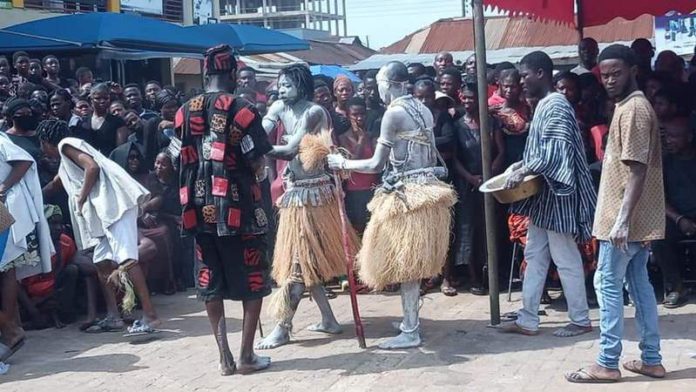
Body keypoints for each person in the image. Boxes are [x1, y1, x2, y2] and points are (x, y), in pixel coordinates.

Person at [327, 61, 457, 349]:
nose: (379, 89)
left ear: (393, 83)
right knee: (410, 259)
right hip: (426, 190)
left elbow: (376, 163)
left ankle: (410, 330)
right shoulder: (423, 108)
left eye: (381, 83)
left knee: (408, 263)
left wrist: (343, 163)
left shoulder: (394, 113)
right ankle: (411, 320)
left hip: (408, 195)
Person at [567, 44, 666, 384]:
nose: (609, 80)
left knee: (606, 283)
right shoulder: (626, 106)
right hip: (631, 218)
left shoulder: (635, 109)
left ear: (633, 70)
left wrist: (622, 220)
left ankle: (608, 362)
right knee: (638, 285)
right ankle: (651, 359)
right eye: (604, 75)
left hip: (623, 220)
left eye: (616, 73)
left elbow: (637, 169)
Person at [175, 45, 272, 374]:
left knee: (209, 280)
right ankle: (247, 356)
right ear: (232, 74)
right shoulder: (244, 108)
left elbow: (182, 152)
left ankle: (224, 358)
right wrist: (259, 175)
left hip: (198, 209)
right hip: (239, 208)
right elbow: (256, 159)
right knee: (253, 279)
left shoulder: (184, 110)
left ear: (205, 74)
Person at [255, 64, 355, 350]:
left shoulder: (313, 112)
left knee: (298, 264)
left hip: (314, 196)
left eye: (287, 84)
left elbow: (289, 150)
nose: (281, 89)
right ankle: (328, 320)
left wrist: (252, 147)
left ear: (301, 85)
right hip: (296, 192)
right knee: (304, 261)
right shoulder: (277, 107)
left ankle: (282, 327)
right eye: (279, 84)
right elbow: (264, 131)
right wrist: (248, 134)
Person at [502, 51, 595, 338]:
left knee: (565, 257)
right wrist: (521, 165)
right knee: (535, 254)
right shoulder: (545, 105)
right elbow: (542, 150)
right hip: (545, 198)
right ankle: (528, 318)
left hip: (559, 196)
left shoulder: (555, 105)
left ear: (541, 73)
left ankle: (580, 319)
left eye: (525, 75)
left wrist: (525, 168)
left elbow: (555, 154)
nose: (521, 82)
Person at [37, 119, 160, 335]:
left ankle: (150, 316)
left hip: (115, 206)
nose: (43, 150)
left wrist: (81, 197)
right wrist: (33, 198)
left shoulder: (65, 144)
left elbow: (91, 167)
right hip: (105, 213)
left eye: (42, 145)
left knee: (127, 259)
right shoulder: (66, 162)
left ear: (47, 141)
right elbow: (56, 183)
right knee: (102, 263)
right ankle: (113, 316)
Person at [0, 130, 53, 360]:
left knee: (8, 268)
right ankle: (10, 328)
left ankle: (10, 329)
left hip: (3, 210)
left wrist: (2, 187)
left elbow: (23, 160)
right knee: (7, 270)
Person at [453, 80, 504, 296]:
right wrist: (472, 179)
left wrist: (489, 174)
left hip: (490, 183)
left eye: (471, 98)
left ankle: (491, 276)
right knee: (469, 231)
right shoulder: (457, 126)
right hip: (468, 185)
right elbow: (455, 159)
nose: (467, 101)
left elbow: (501, 152)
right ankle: (474, 278)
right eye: (464, 97)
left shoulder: (491, 123)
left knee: (489, 231)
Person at [110, 141, 176, 294]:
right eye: (131, 157)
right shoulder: (117, 181)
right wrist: (136, 214)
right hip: (126, 225)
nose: (135, 161)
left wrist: (143, 209)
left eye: (137, 157)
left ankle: (165, 282)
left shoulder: (148, 176)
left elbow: (158, 198)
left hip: (146, 223)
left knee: (163, 233)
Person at [652, 117, 695, 309]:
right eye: (667, 136)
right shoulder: (664, 164)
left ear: (689, 137)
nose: (668, 140)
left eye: (674, 136)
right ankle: (676, 287)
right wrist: (679, 219)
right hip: (678, 217)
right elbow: (658, 197)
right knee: (659, 234)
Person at [20, 205, 81, 329]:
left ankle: (61, 313)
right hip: (31, 298)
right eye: (53, 223)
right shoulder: (28, 246)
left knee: (72, 270)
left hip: (55, 293)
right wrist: (33, 310)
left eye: (60, 224)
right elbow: (17, 285)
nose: (58, 228)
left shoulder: (66, 242)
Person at [337, 97, 379, 233]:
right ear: (348, 115)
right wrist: (361, 140)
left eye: (362, 114)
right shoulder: (343, 138)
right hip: (354, 191)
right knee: (358, 228)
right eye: (355, 115)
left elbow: (377, 161)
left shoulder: (372, 136)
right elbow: (351, 163)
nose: (359, 118)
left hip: (372, 188)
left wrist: (365, 137)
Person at [490, 68, 531, 168]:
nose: (509, 90)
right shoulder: (495, 112)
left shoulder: (529, 110)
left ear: (520, 87)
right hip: (504, 164)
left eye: (513, 87)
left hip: (527, 161)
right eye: (506, 86)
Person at [74, 83, 129, 156]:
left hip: (110, 163)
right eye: (98, 98)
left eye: (106, 98)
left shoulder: (118, 122)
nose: (102, 101)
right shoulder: (83, 121)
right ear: (91, 99)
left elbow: (120, 150)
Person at [2, 97, 42, 162]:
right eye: (20, 114)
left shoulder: (39, 135)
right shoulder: (5, 139)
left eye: (29, 113)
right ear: (12, 117)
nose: (26, 116)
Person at [363, 70, 385, 137]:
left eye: (376, 89)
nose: (372, 92)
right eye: (369, 88)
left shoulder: (385, 113)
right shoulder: (357, 111)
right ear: (364, 89)